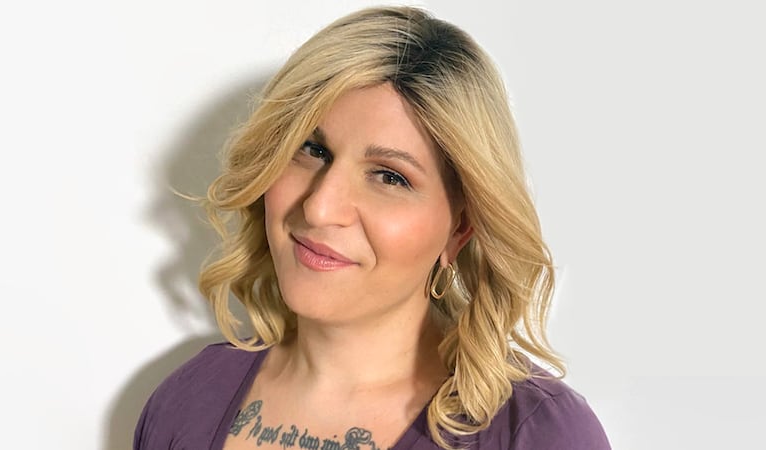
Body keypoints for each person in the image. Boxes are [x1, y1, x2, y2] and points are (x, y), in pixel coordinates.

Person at [134, 6, 611, 450]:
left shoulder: (533, 432)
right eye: (312, 150)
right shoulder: (190, 399)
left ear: (460, 229)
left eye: (389, 177)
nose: (320, 207)